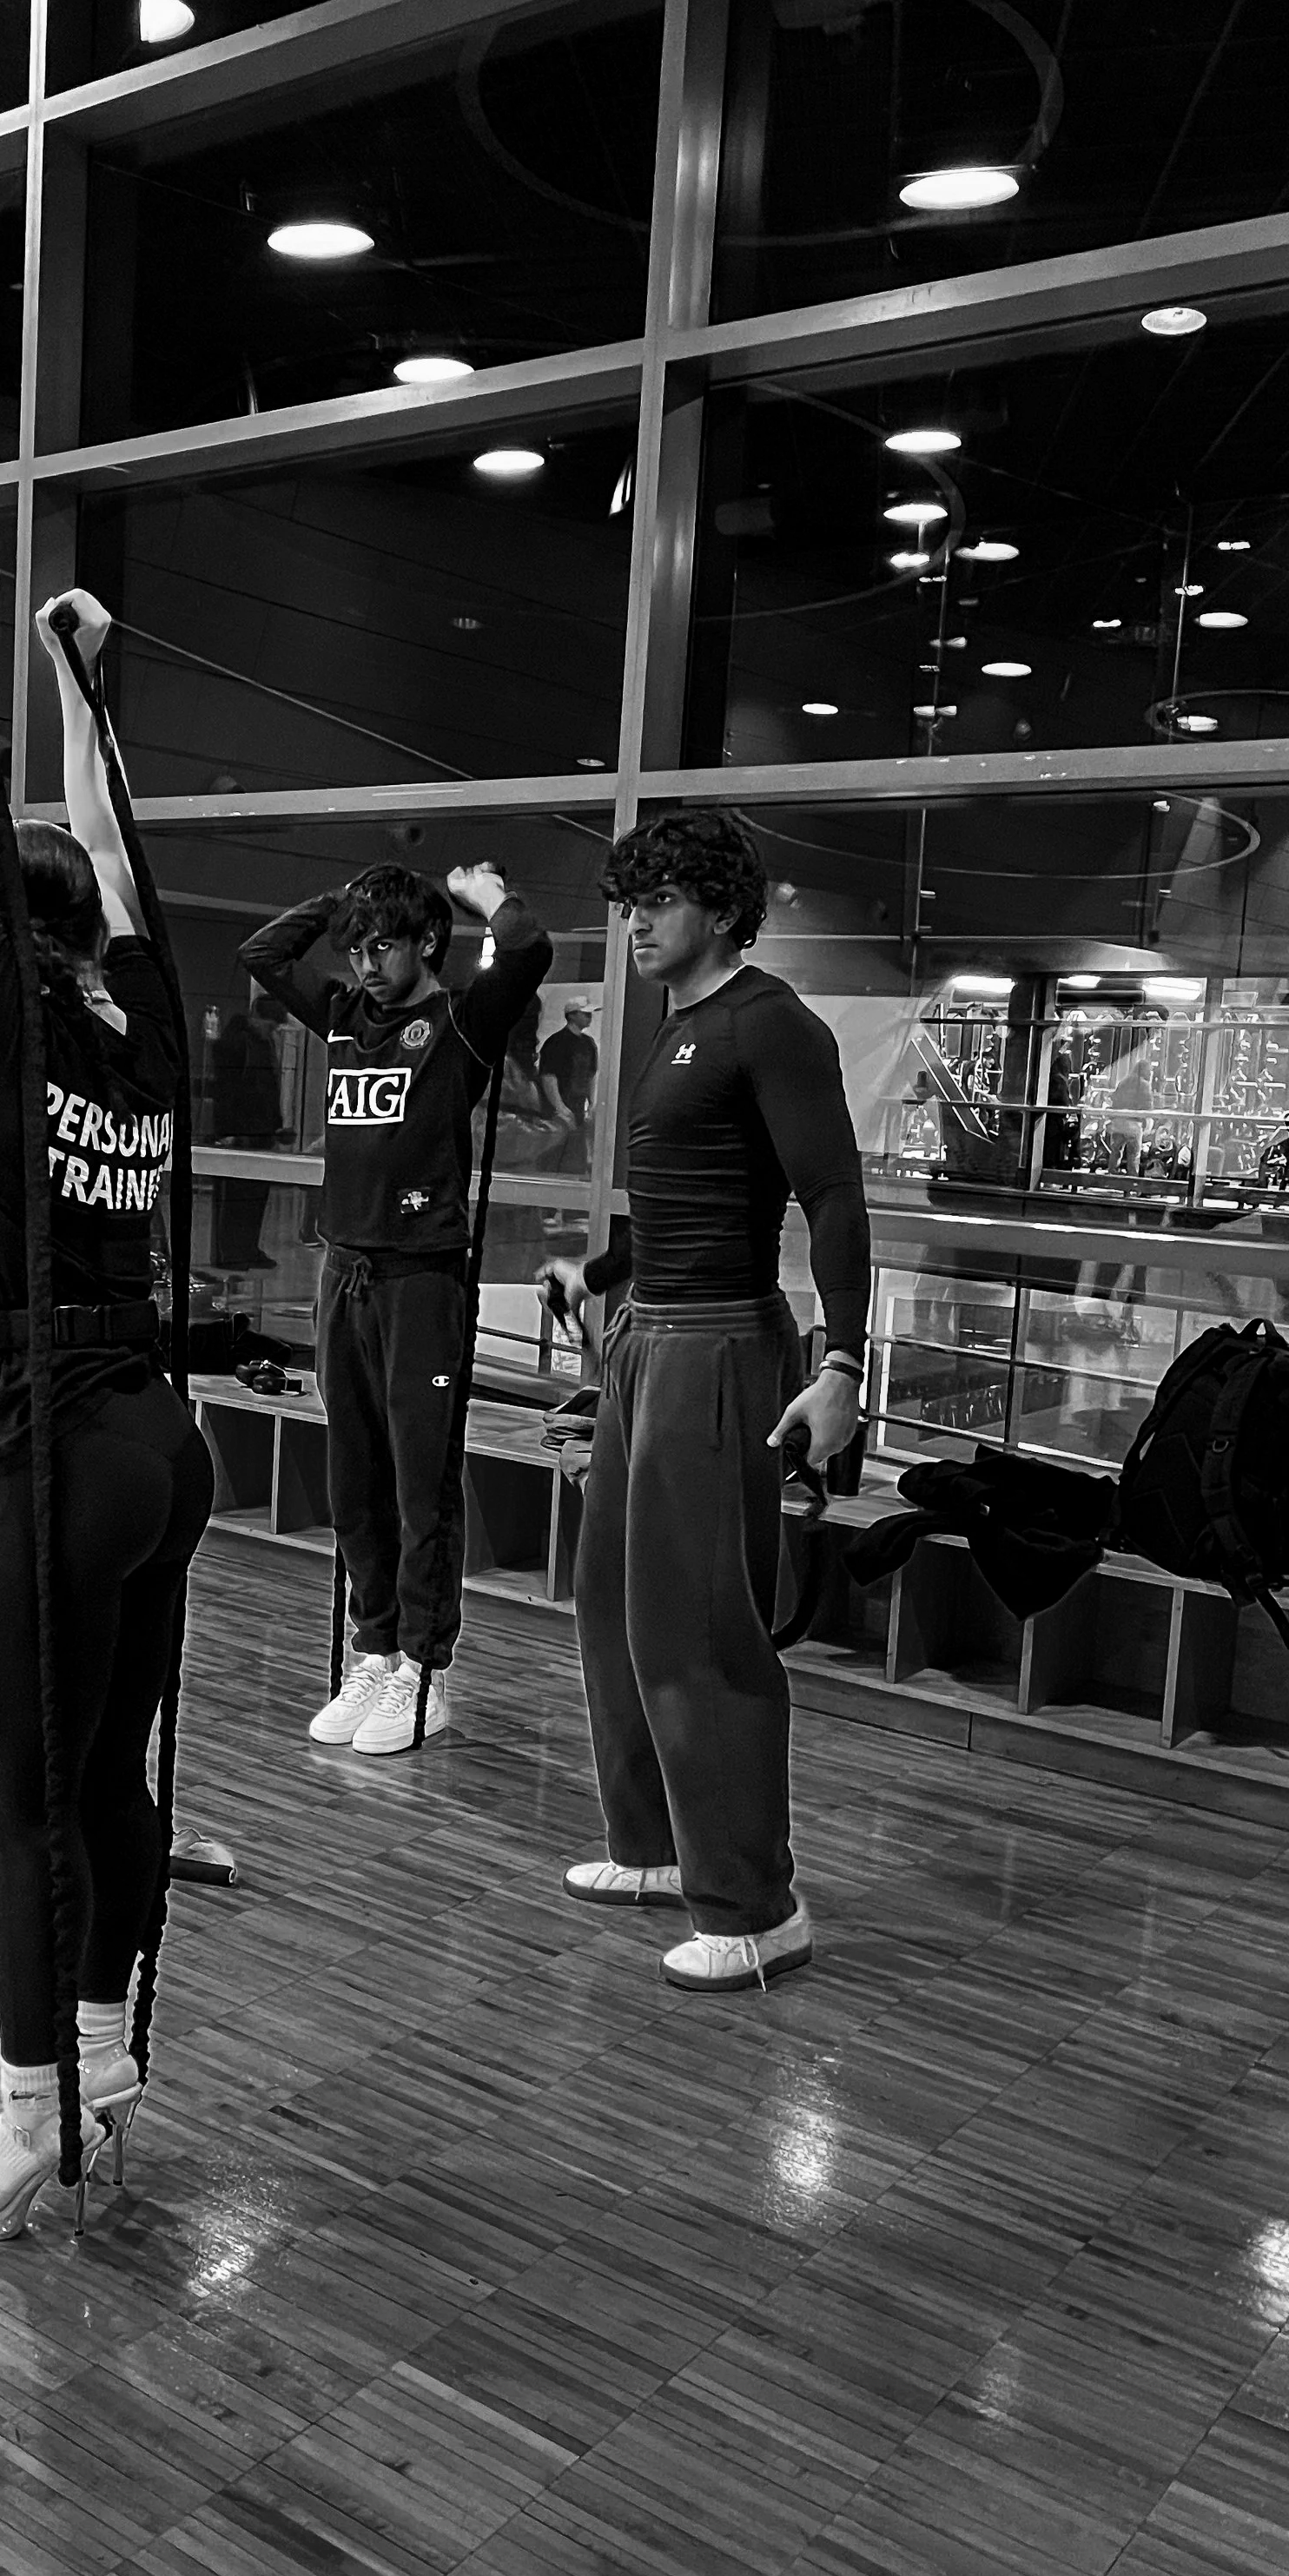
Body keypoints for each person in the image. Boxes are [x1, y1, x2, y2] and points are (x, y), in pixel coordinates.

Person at [0, 523, 212, 2239]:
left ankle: (23, 2132)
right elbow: (109, 844)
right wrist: (84, 686)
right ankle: (102, 2047)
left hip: (44, 1452)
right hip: (158, 1438)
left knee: (19, 1811)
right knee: (110, 1780)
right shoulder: (139, 1022)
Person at [539, 809, 869, 1993]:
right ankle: (658, 1849)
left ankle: (755, 1904)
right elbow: (676, 1208)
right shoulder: (678, 1027)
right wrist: (603, 1278)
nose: (634, 920)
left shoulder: (771, 1026)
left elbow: (833, 1196)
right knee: (612, 1606)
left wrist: (842, 1366)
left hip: (720, 1351)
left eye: (658, 899)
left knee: (699, 1632)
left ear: (721, 908)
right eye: (627, 899)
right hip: (647, 1339)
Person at [241, 856, 551, 1754]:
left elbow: (524, 948)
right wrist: (340, 902)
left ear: (426, 944)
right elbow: (263, 955)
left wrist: (482, 894)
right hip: (346, 1273)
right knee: (355, 1481)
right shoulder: (343, 1017)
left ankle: (425, 1669)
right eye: (356, 948)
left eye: (384, 946)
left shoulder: (459, 1020)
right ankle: (371, 1650)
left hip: (422, 1279)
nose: (366, 964)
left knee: (422, 1484)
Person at [208, 987, 286, 1271]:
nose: (272, 1031)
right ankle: (229, 1252)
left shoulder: (263, 1044)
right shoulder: (236, 1043)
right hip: (238, 1133)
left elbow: (268, 1090)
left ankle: (247, 1248)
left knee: (254, 1197)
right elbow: (227, 1090)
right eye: (270, 1025)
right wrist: (227, 1131)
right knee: (235, 1197)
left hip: (260, 1132)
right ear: (256, 1018)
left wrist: (275, 1125)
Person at [539, 999, 598, 1172]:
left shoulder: (589, 1044)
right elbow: (548, 1076)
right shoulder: (556, 1042)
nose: (589, 1017)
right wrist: (560, 1107)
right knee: (554, 1158)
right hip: (556, 1113)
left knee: (575, 1160)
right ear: (572, 1015)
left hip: (579, 1109)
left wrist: (592, 1103)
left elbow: (591, 1075)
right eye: (585, 1013)